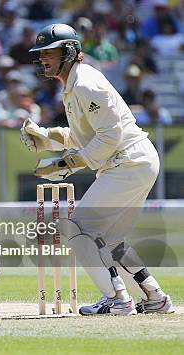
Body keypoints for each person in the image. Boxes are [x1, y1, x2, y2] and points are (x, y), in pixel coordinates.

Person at [20, 23, 174, 315]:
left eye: (48, 53)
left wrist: (65, 164)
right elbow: (83, 137)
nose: (42, 59)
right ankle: (155, 296)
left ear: (68, 51)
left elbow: (109, 136)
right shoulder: (73, 85)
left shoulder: (87, 84)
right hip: (132, 162)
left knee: (78, 228)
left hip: (128, 161)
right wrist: (45, 138)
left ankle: (117, 299)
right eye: (40, 54)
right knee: (112, 240)